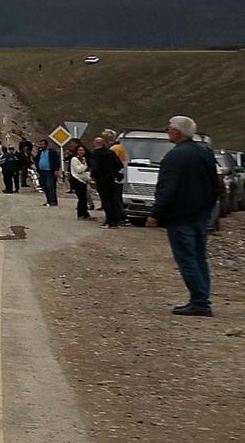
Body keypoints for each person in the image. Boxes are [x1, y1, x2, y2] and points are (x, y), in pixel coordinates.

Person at [144, 116, 220, 316]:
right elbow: (216, 185)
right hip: (200, 215)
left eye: (169, 128)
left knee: (187, 259)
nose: (167, 131)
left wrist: (156, 213)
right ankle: (202, 298)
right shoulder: (205, 152)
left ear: (177, 132)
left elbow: (167, 188)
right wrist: (209, 209)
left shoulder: (174, 156)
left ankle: (200, 302)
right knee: (199, 258)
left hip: (180, 216)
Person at [90, 136, 127, 227]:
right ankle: (115, 220)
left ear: (95, 144)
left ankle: (110, 221)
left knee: (105, 201)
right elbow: (119, 165)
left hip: (102, 180)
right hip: (112, 180)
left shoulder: (96, 154)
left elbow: (95, 168)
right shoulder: (111, 153)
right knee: (113, 200)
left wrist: (93, 176)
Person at [68, 142, 95, 219]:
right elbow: (78, 170)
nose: (81, 152)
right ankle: (81, 214)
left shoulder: (83, 159)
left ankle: (84, 213)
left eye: (83, 150)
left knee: (84, 198)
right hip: (76, 180)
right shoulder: (74, 159)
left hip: (83, 180)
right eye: (80, 150)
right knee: (81, 198)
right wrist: (85, 166)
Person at [36, 140, 60, 206]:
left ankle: (53, 201)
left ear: (46, 145)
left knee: (50, 186)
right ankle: (48, 200)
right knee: (45, 187)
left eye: (43, 144)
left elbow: (57, 161)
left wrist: (56, 170)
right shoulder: (40, 153)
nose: (41, 146)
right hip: (42, 171)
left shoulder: (52, 152)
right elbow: (37, 161)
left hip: (50, 171)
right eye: (40, 144)